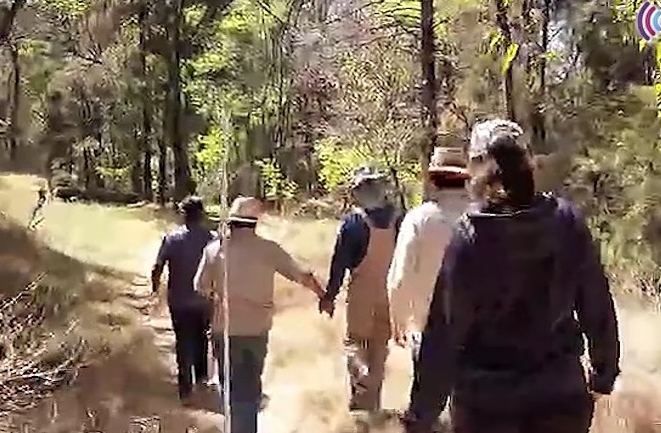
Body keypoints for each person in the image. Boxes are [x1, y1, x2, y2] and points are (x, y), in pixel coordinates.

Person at [407, 119, 621, 433]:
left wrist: (422, 413)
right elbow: (596, 303)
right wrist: (604, 371)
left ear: (475, 169)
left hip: (487, 404)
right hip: (559, 396)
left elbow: (445, 332)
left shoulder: (470, 235)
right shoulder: (566, 221)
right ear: (529, 162)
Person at [194, 196, 325, 433]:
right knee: (250, 386)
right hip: (257, 330)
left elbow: (199, 286)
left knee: (231, 389)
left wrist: (218, 294)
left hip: (225, 330)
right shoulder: (269, 250)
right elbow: (302, 275)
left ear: (231, 223)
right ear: (254, 223)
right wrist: (324, 295)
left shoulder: (214, 250)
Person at [386, 147, 472, 429]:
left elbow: (400, 277)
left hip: (430, 328)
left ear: (433, 180)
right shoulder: (484, 216)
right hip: (482, 330)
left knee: (424, 411)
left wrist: (398, 319)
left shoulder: (420, 219)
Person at [318, 165, 403, 413]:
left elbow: (339, 265)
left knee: (354, 345)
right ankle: (372, 407)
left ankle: (360, 394)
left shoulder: (354, 223)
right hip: (390, 294)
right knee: (379, 350)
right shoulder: (400, 220)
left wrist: (329, 297)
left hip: (361, 296)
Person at [151, 196, 218, 405]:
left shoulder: (171, 239)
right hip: (204, 301)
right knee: (201, 339)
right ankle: (201, 380)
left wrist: (154, 288)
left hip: (179, 301)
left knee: (182, 342)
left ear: (183, 215)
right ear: (202, 214)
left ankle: (185, 388)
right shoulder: (213, 239)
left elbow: (157, 267)